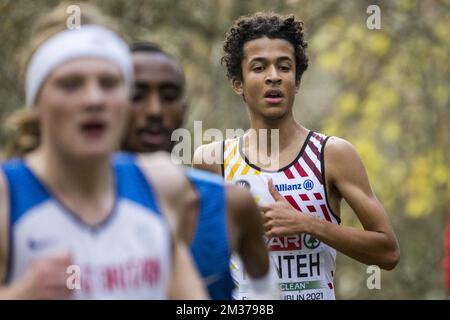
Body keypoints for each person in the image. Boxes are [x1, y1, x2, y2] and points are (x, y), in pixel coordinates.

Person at [0, 3, 206, 299]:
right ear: (37, 101)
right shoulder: (7, 197)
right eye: (71, 85)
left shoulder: (162, 183)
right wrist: (22, 294)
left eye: (109, 83)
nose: (94, 99)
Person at [193, 12, 400, 300]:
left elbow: (388, 252)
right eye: (258, 67)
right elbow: (201, 261)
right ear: (238, 82)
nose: (273, 76)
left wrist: (307, 224)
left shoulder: (332, 154)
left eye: (284, 67)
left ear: (297, 80)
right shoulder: (213, 159)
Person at [123, 42, 279, 299]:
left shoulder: (231, 204)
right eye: (136, 96)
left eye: (169, 96)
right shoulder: (62, 203)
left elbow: (266, 298)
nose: (154, 111)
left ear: (184, 109)